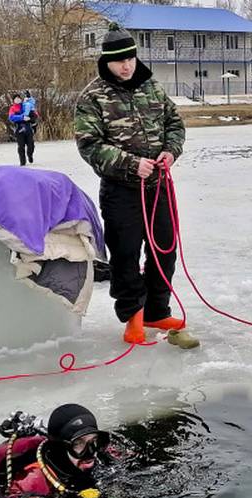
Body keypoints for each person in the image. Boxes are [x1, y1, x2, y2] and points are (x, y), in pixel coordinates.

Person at [75, 24, 186, 344]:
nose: (126, 65)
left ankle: (156, 310)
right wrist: (129, 164)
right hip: (121, 190)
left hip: (158, 185)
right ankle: (133, 317)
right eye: (119, 60)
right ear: (107, 61)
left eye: (131, 58)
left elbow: (174, 124)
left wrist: (170, 151)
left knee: (164, 249)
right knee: (125, 254)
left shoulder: (151, 86)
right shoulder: (92, 96)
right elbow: (89, 145)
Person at [0, 404, 113, 498]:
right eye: (78, 444)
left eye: (94, 441)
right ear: (60, 447)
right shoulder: (33, 483)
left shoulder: (102, 455)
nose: (90, 452)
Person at [8, 93, 35, 166]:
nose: (17, 100)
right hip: (19, 129)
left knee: (31, 145)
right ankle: (22, 162)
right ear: (13, 101)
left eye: (18, 98)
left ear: (21, 99)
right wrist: (22, 117)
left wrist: (30, 118)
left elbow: (34, 115)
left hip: (28, 128)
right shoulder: (13, 108)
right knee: (21, 146)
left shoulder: (26, 105)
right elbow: (11, 117)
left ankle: (30, 155)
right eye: (15, 99)